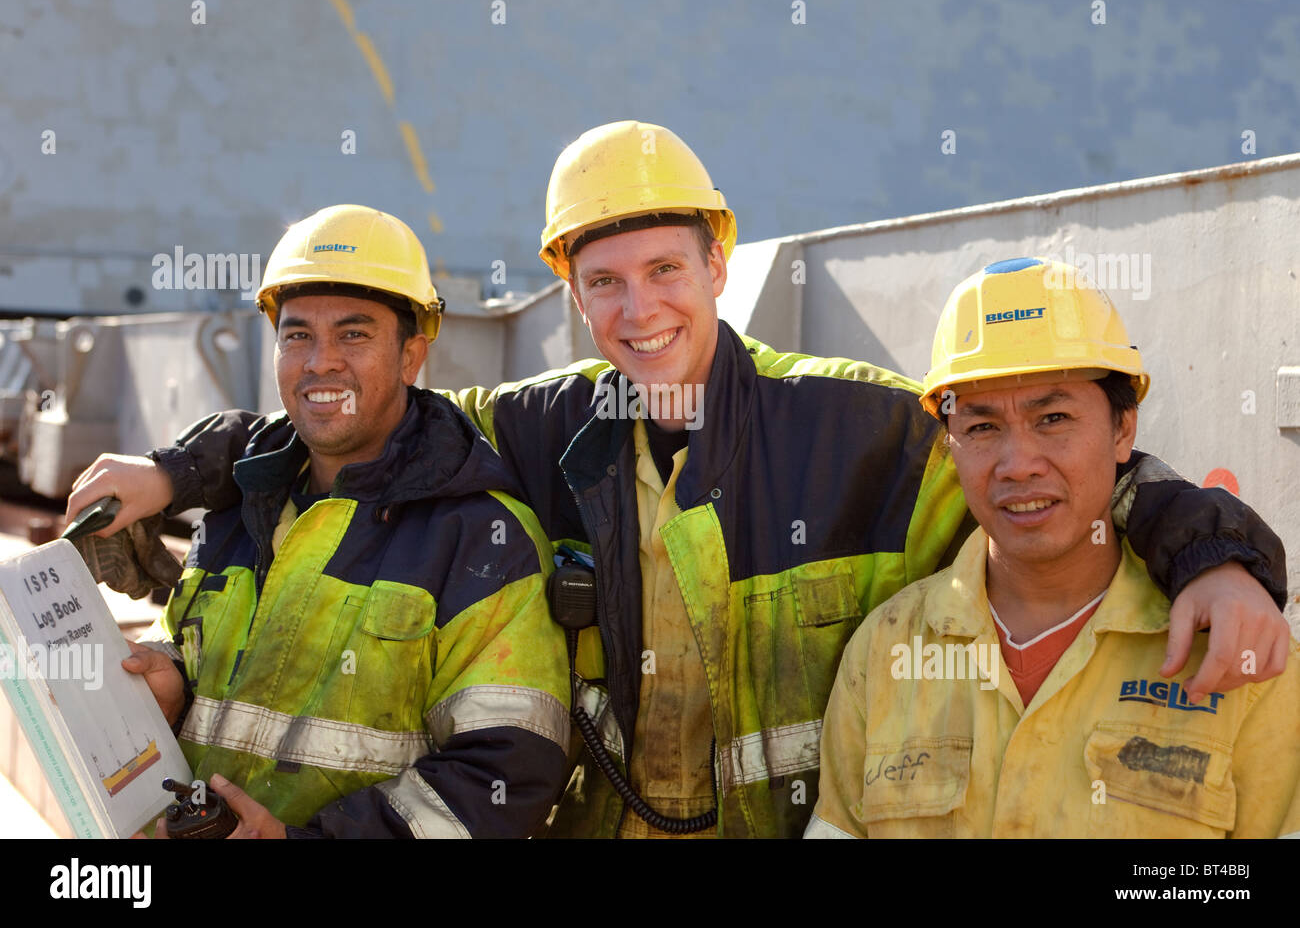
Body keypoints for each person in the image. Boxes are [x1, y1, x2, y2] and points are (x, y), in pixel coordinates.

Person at [70, 124, 1292, 839]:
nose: (637, 308)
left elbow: (1047, 479)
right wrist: (179, 464)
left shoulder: (855, 427)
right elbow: (358, 411)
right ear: (569, 293)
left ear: (717, 261)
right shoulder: (541, 431)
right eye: (603, 281)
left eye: (664, 268)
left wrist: (1213, 549)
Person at [116, 204, 570, 838]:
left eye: (354, 335)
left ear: (412, 356)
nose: (320, 362)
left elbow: (504, 776)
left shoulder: (483, 542)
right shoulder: (236, 516)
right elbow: (201, 667)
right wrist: (170, 683)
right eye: (297, 335)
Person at [808, 258, 1299, 837]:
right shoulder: (885, 649)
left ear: (1123, 430)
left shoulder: (1244, 653)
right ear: (951, 443)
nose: (1018, 466)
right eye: (983, 427)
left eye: (1054, 418)